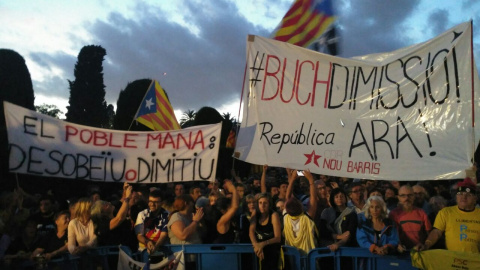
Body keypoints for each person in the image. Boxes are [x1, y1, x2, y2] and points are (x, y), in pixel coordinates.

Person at [415, 178, 480, 253]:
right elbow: (437, 232)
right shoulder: (446, 212)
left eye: (468, 195)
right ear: (456, 197)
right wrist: (426, 245)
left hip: (475, 261)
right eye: (460, 194)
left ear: (475, 198)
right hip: (452, 260)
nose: (463, 197)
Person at [283, 169, 318, 255]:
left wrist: (292, 180)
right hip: (308, 256)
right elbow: (313, 200)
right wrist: (311, 181)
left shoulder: (286, 217)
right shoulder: (307, 218)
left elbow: (287, 197)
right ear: (301, 206)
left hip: (293, 257)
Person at [389, 185, 431, 251]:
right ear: (398, 197)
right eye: (403, 196)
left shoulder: (421, 213)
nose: (406, 198)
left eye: (410, 195)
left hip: (419, 251)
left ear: (414, 197)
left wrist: (425, 245)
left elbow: (429, 233)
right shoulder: (393, 214)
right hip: (400, 253)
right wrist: (397, 245)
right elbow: (390, 235)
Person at [249, 193, 282, 269]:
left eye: (265, 203)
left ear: (269, 204)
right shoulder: (255, 213)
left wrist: (262, 244)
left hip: (272, 250)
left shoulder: (274, 215)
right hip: (258, 251)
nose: (262, 205)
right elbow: (251, 232)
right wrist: (256, 245)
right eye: (260, 203)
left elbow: (277, 238)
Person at [134, 189, 169, 253]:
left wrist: (156, 246)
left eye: (156, 202)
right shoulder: (142, 214)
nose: (152, 204)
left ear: (162, 203)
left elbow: (164, 235)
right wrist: (148, 242)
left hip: (162, 249)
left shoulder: (166, 215)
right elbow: (139, 235)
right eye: (150, 201)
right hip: (143, 250)